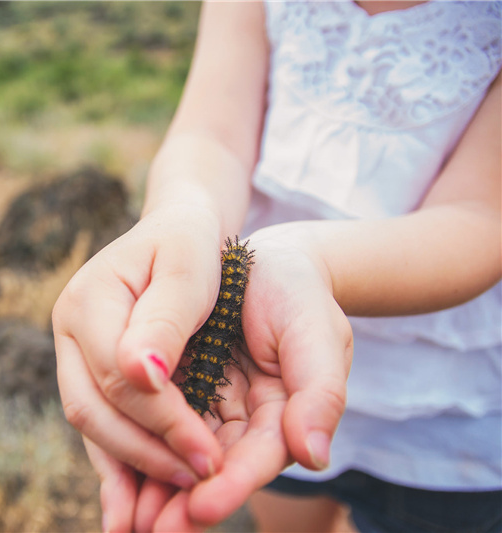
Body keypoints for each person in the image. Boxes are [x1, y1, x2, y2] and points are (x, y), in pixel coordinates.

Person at [52, 1, 502, 531]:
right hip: (270, 383)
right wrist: (182, 214)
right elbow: (212, 136)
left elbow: (483, 214)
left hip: (445, 421)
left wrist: (310, 260)